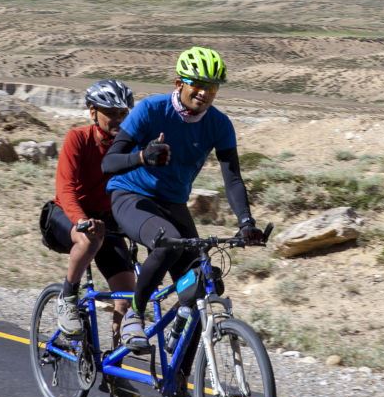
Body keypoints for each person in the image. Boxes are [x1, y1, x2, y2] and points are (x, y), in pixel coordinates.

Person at [101, 46, 264, 355]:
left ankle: (178, 387)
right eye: (197, 84)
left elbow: (233, 179)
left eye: (211, 87)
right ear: (179, 83)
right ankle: (134, 315)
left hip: (172, 203)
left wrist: (246, 222)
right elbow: (108, 163)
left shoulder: (219, 124)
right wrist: (142, 156)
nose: (204, 92)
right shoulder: (150, 110)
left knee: (204, 285)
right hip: (130, 196)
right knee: (168, 241)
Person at [42, 79, 138, 342]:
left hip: (106, 221)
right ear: (93, 112)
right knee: (88, 238)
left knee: (127, 294)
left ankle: (114, 366)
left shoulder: (129, 147)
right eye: (111, 113)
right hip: (65, 214)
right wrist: (81, 221)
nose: (118, 119)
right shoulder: (78, 139)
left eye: (123, 113)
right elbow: (66, 188)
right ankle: (68, 297)